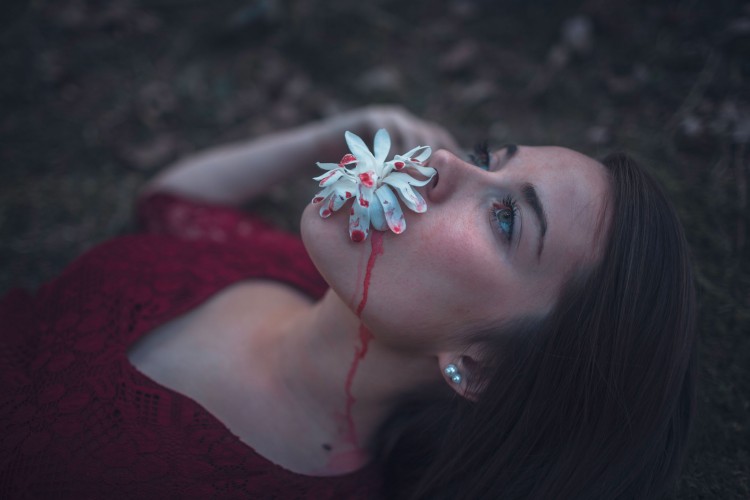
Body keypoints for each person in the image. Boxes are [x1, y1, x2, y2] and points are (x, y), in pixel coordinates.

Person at [0, 105, 696, 499]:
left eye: (507, 219)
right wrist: (323, 136)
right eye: (488, 155)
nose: (446, 161)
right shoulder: (284, 268)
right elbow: (172, 205)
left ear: (480, 368)